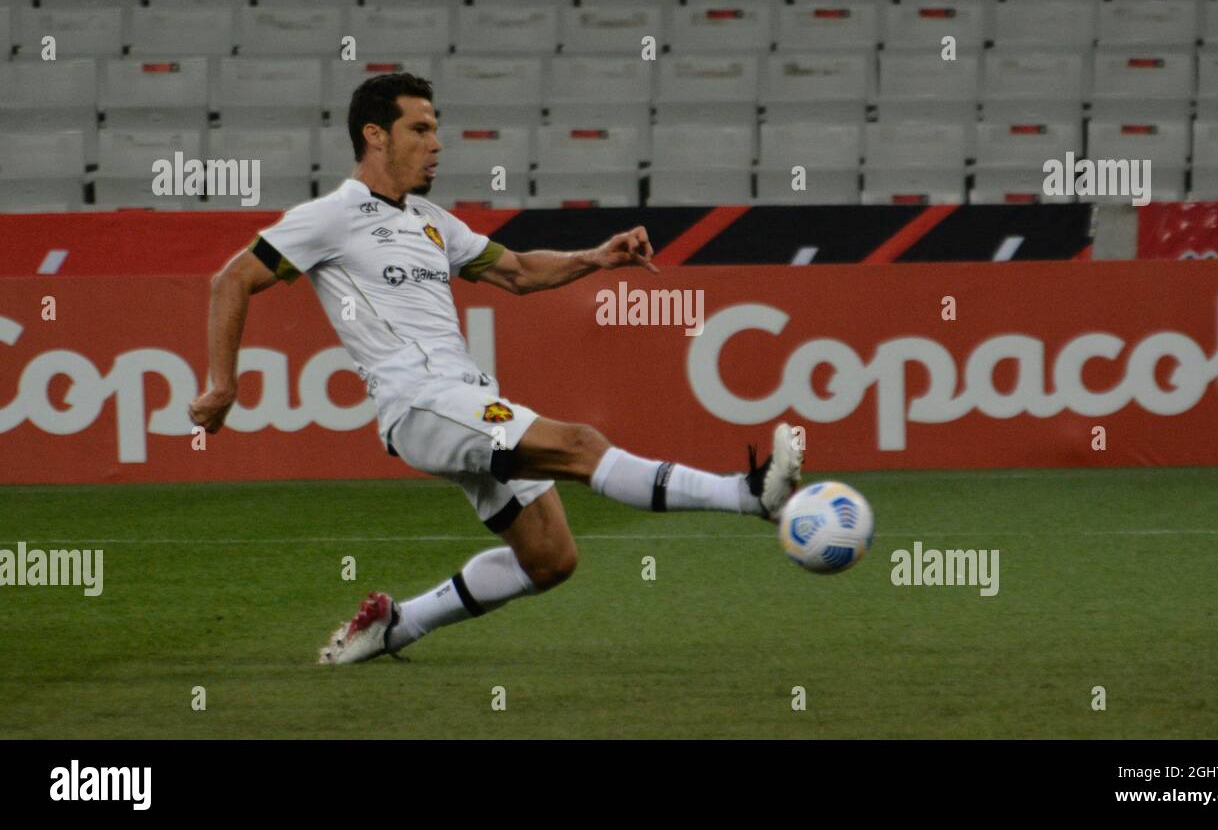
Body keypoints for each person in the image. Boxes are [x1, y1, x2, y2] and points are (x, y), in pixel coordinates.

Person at [188, 73, 803, 665]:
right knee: (581, 443)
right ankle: (751, 495)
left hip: (464, 400)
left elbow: (516, 272)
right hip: (419, 404)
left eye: (436, 129)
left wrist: (595, 257)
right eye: (420, 128)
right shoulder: (331, 217)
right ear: (376, 136)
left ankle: (394, 625)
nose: (436, 143)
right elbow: (232, 280)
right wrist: (223, 385)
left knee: (551, 559)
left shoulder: (430, 222)